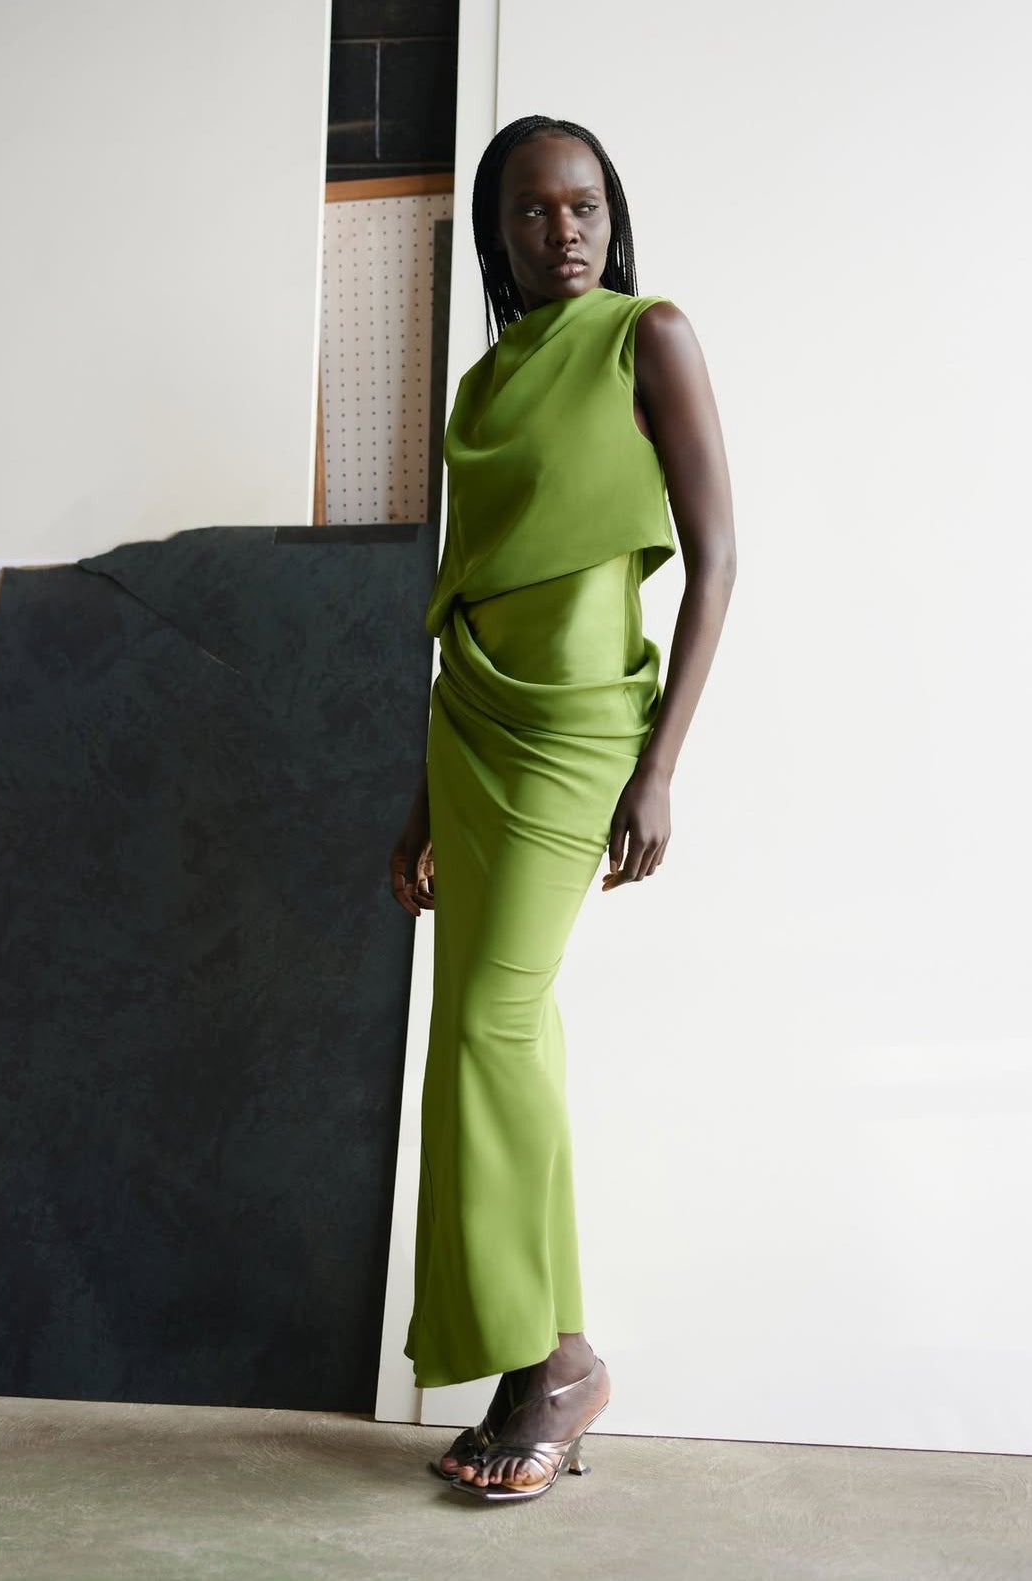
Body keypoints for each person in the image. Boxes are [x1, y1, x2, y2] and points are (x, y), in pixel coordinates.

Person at [389, 114, 736, 1503]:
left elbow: (717, 557)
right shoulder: (484, 382)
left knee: (492, 1023)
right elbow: (461, 593)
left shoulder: (650, 336)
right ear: (498, 233)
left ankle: (555, 1359)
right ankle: (549, 1362)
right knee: (495, 1033)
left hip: (577, 729)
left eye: (583, 203)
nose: (564, 229)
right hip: (470, 726)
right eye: (532, 211)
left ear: (612, 212)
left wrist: (661, 764)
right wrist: (418, 798)